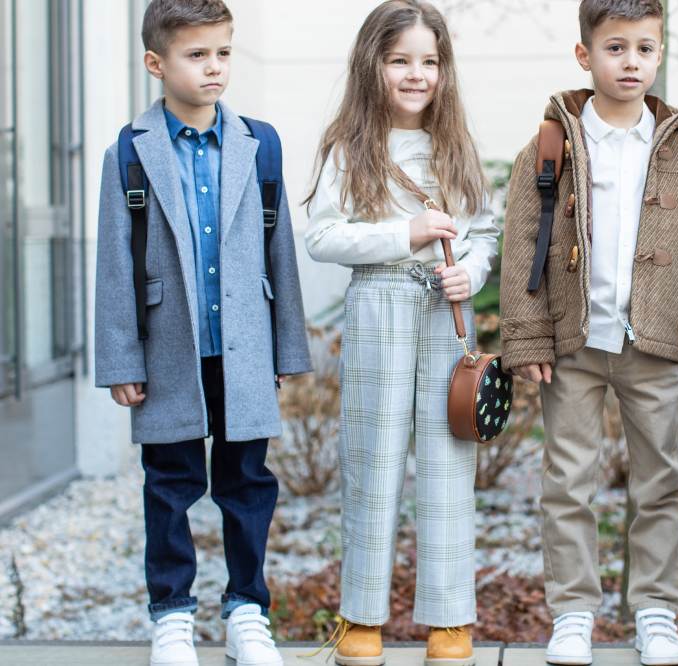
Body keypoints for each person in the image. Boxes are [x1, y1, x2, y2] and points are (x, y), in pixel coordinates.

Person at [498, 1, 678, 664]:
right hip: (573, 344)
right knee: (568, 478)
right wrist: (527, 338)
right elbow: (521, 247)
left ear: (660, 54)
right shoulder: (550, 146)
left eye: (645, 49)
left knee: (661, 477)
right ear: (585, 56)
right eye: (616, 48)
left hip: (652, 345)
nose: (631, 62)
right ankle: (573, 611)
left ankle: (656, 609)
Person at [94, 1, 311, 664]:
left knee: (248, 483)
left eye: (222, 51)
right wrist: (121, 359)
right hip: (167, 354)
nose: (214, 66)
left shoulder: (260, 142)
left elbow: (280, 250)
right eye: (196, 54)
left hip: (245, 349)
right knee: (169, 482)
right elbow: (114, 262)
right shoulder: (129, 153)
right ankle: (172, 613)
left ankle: (248, 609)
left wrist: (286, 347)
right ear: (156, 63)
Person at [303, 2, 499, 665]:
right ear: (372, 65)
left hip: (445, 312)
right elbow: (323, 237)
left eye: (429, 61)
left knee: (448, 460)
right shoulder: (346, 146)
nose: (416, 75)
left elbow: (484, 234)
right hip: (378, 303)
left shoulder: (456, 146)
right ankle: (361, 615)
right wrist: (404, 233)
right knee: (372, 458)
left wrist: (470, 271)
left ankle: (449, 617)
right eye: (400, 61)